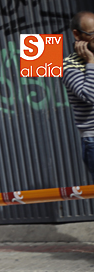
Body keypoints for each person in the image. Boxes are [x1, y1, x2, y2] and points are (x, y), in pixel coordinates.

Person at [63, 11, 94, 180]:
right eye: (92, 34)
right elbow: (90, 95)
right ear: (77, 35)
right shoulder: (69, 65)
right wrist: (90, 62)